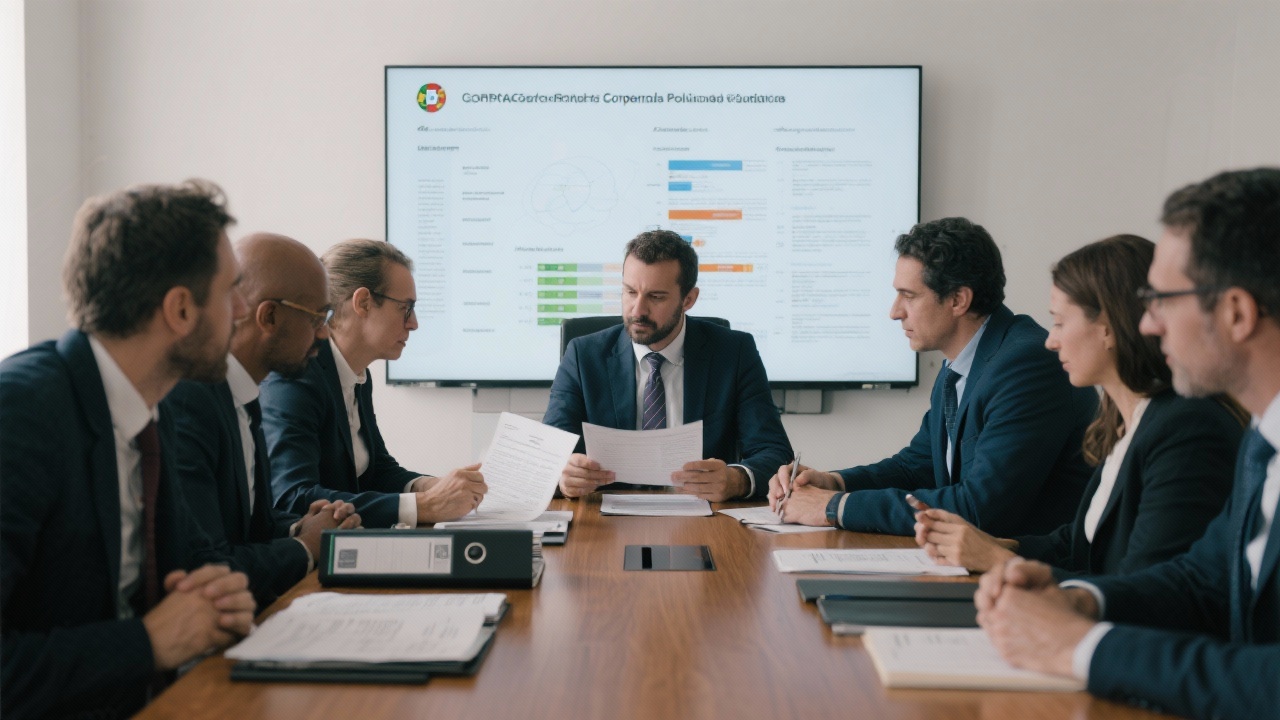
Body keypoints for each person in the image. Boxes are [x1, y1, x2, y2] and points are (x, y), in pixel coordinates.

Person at [975, 168, 1280, 720]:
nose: (1149, 325)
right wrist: (1076, 601)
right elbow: (1201, 579)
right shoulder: (1267, 441)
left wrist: (1078, 644)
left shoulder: (1198, 426)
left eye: (1162, 300)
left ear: (1236, 312)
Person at [0, 180, 257, 719]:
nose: (241, 310)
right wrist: (147, 643)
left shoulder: (144, 406)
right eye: (232, 289)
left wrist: (223, 593)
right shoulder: (21, 415)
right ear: (181, 310)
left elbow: (195, 560)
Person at [912, 235, 1243, 575]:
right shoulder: (1123, 419)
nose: (1051, 341)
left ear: (1108, 329)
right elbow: (1080, 543)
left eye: (1059, 322)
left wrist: (1002, 562)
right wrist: (991, 546)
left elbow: (1149, 589)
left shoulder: (1186, 428)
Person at [768, 217, 1097, 536]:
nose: (895, 312)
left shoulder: (1025, 366)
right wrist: (834, 482)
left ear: (957, 300)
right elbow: (917, 465)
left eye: (909, 296)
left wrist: (834, 507)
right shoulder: (961, 364)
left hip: (1033, 576)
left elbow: (980, 508)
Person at [162, 233, 362, 609]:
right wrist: (305, 546)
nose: (324, 333)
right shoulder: (191, 400)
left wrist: (296, 525)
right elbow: (208, 565)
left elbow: (247, 524)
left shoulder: (244, 394)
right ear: (269, 316)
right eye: (318, 318)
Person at [542, 229, 792, 501]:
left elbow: (775, 453)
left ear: (688, 299)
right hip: (604, 519)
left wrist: (737, 480)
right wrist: (562, 477)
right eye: (629, 292)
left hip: (705, 520)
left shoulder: (734, 353)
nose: (637, 310)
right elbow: (545, 457)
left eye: (656, 297)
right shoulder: (583, 355)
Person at [260, 239, 486, 528]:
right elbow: (292, 497)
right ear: (363, 302)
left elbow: (376, 469)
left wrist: (431, 487)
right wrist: (424, 506)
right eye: (406, 308)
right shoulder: (297, 375)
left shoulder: (356, 374)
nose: (414, 323)